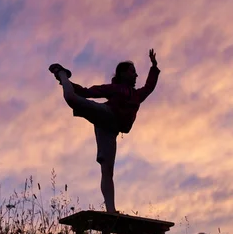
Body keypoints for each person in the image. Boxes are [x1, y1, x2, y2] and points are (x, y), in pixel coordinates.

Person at [48, 49, 160, 213]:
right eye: (133, 72)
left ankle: (111, 210)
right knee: (72, 98)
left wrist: (154, 66)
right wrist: (71, 84)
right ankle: (62, 75)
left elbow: (149, 87)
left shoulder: (137, 95)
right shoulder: (114, 88)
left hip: (110, 129)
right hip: (106, 113)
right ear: (122, 74)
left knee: (107, 170)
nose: (136, 76)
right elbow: (87, 92)